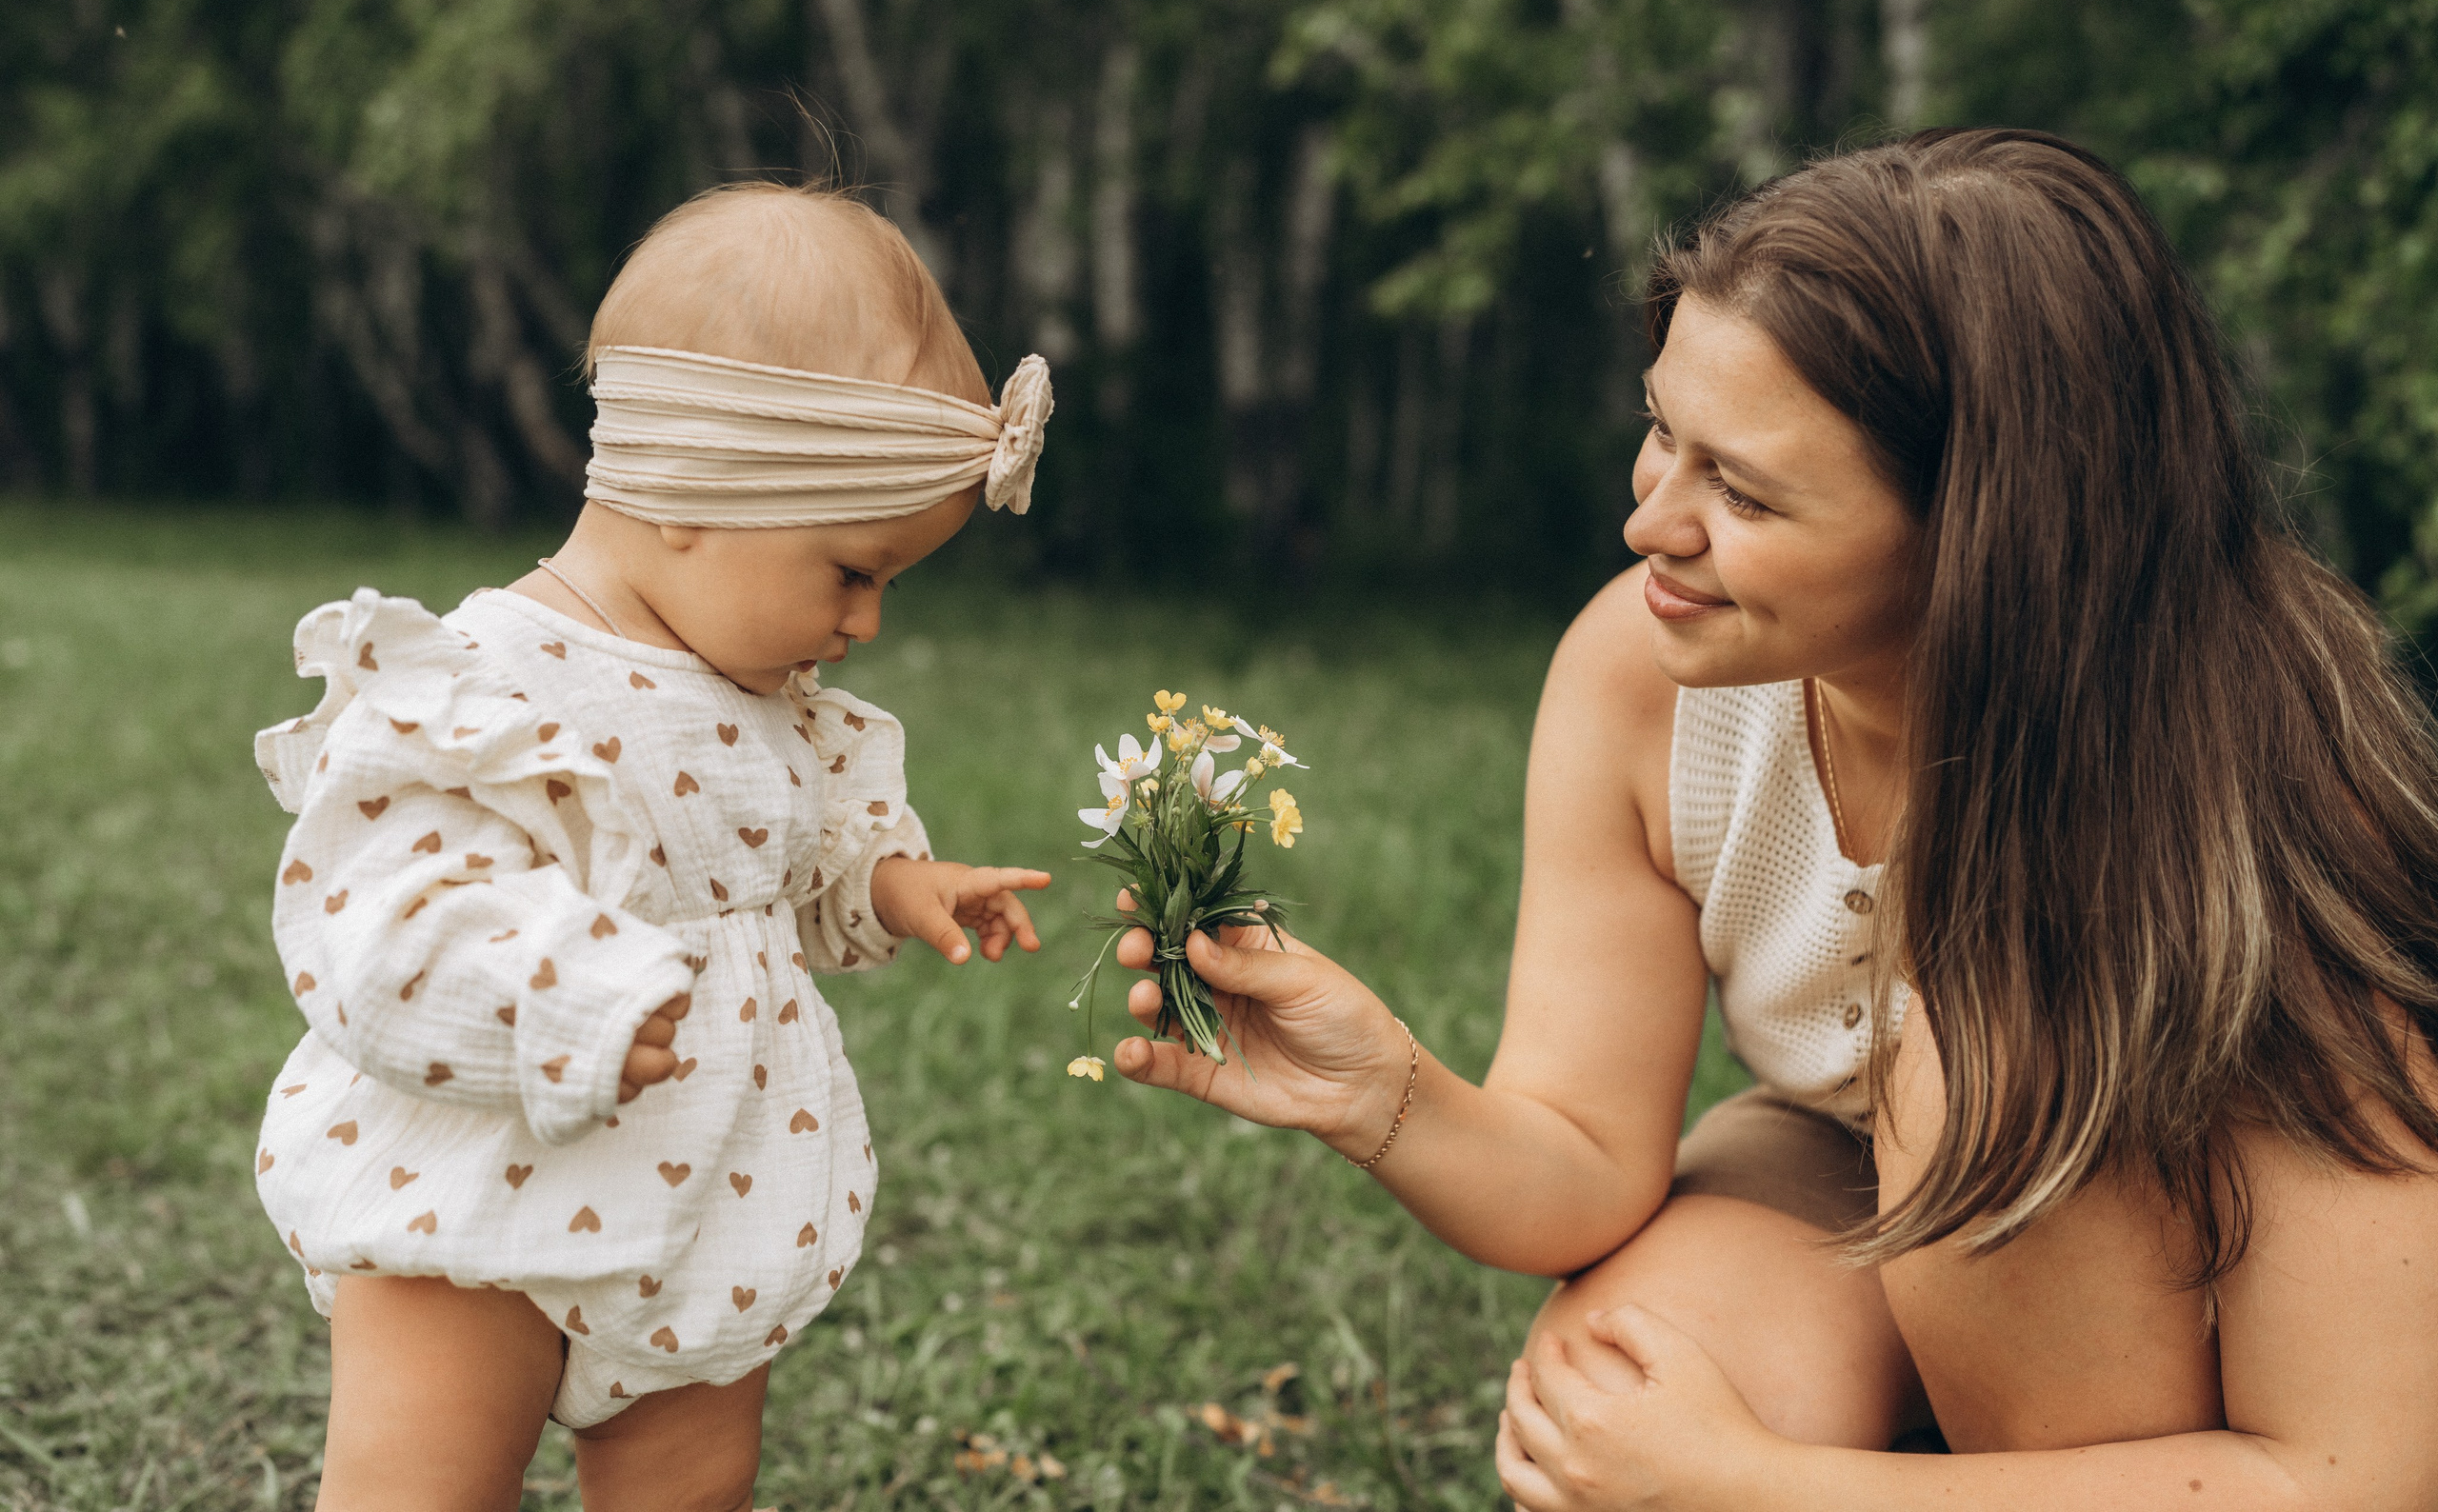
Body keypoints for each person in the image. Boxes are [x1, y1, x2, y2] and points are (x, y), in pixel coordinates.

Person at [1110, 129, 2438, 1507]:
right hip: (1838, 1166)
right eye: (1660, 432)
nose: (1651, 524)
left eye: (1740, 490)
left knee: (1976, 1074)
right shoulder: (1646, 678)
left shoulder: (2260, 792)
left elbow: (2360, 1473)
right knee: (1613, 1405)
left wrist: (1763, 1484)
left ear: (1987, 531)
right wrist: (1379, 1093)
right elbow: (1582, 1163)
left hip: (2164, 1282)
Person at [250, 183, 1055, 1508]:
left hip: (709, 1203)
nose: (866, 625)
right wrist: (555, 997)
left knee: (690, 1488)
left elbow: (785, 866)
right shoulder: (477, 684)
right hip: (480, 1201)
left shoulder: (766, 702)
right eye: (853, 571)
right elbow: (382, 919)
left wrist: (897, 883)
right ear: (692, 492)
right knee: (423, 1486)